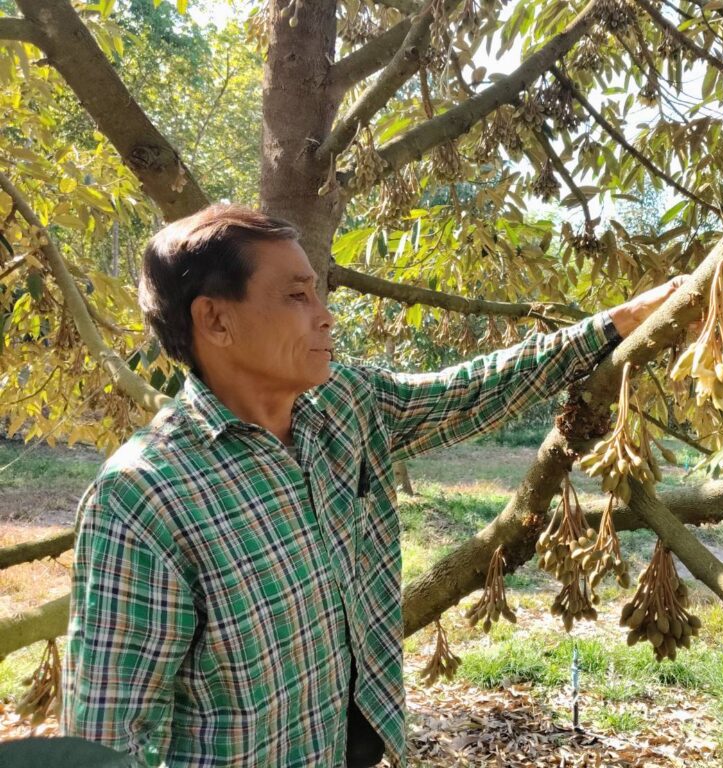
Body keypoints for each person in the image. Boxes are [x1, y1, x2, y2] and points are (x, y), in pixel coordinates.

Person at [61, 204, 686, 767]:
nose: (326, 316)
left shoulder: (343, 403)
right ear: (216, 320)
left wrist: (616, 325)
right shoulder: (144, 497)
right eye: (297, 296)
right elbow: (108, 731)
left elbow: (467, 392)